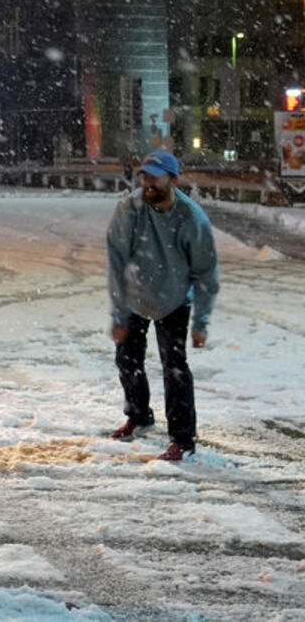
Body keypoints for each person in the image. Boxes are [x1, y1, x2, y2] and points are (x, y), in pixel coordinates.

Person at [107, 150, 219, 461]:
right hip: (134, 295)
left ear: (173, 179)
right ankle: (139, 416)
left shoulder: (190, 218)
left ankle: (182, 439)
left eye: (155, 176)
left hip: (174, 298)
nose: (148, 182)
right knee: (127, 360)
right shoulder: (129, 209)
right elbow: (117, 262)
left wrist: (201, 322)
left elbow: (206, 272)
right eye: (144, 176)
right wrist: (118, 313)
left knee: (175, 368)